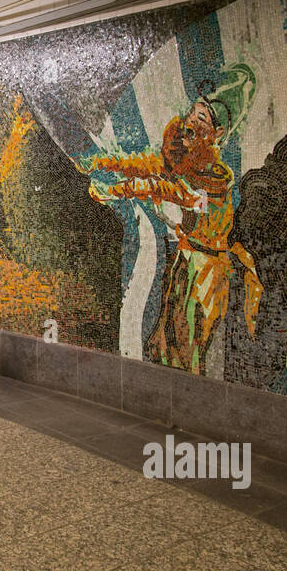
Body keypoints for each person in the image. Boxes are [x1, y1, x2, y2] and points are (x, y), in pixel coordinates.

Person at [84, 63, 258, 372]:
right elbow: (150, 165)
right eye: (193, 112)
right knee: (164, 341)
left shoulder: (215, 178)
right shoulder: (186, 155)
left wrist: (117, 192)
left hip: (206, 274)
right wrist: (104, 162)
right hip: (185, 261)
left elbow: (171, 189)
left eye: (201, 118)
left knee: (188, 346)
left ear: (217, 133)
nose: (190, 120)